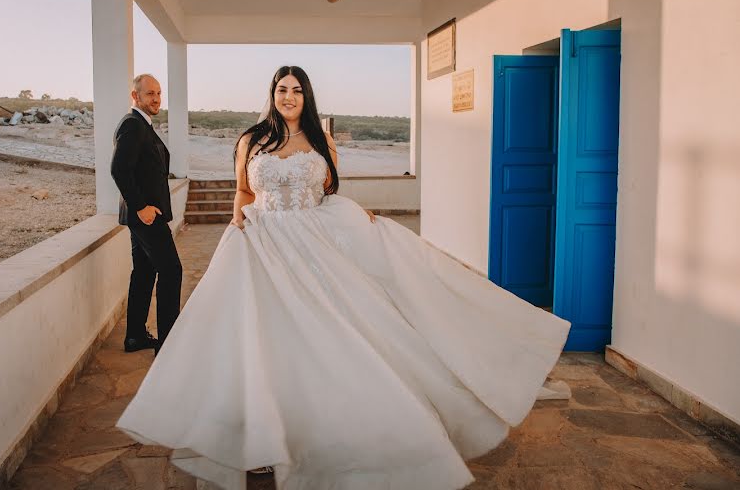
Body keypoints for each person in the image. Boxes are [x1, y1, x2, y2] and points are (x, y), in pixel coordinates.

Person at [117, 65, 570, 489]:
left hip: (312, 247)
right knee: (264, 338)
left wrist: (357, 219)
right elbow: (243, 190)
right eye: (281, 89)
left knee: (330, 333)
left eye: (296, 90)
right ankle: (263, 438)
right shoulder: (250, 139)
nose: (289, 96)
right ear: (271, 96)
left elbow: (329, 192)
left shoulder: (322, 141)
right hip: (261, 244)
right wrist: (238, 222)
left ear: (305, 96)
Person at [110, 73, 182, 354]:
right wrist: (140, 206)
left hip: (145, 216)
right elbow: (119, 170)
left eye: (158, 93)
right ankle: (168, 343)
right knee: (172, 271)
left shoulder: (142, 125)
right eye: (150, 93)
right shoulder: (133, 125)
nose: (156, 99)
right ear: (135, 96)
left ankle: (135, 337)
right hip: (146, 216)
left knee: (143, 272)